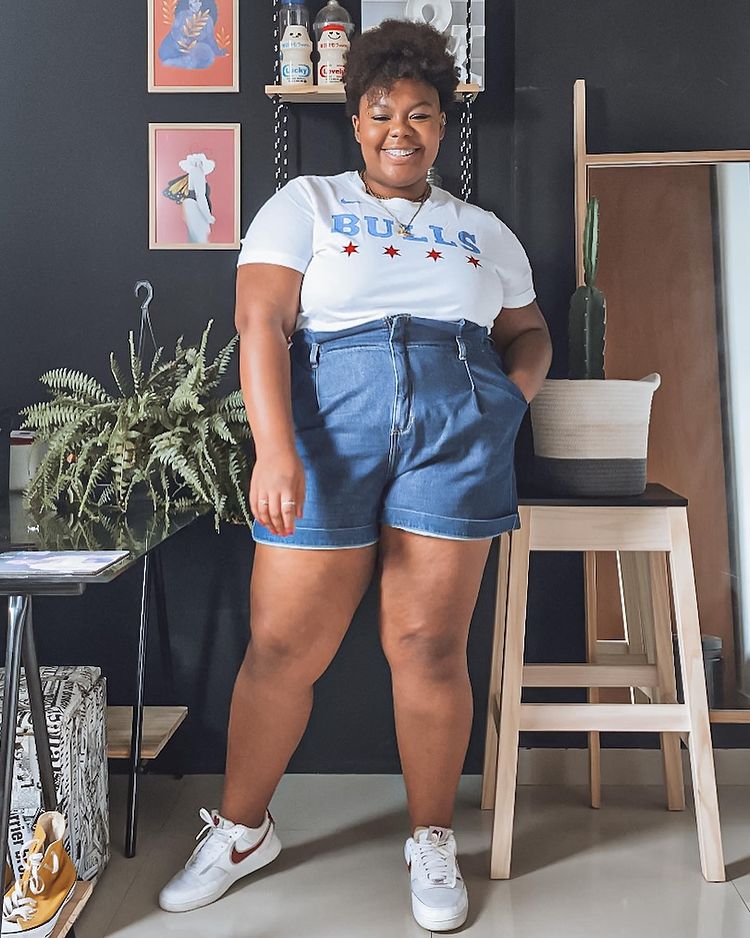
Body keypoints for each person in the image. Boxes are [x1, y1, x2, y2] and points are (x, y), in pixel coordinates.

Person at [158, 17, 552, 933]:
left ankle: (429, 839)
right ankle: (244, 829)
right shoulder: (307, 203)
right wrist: (276, 446)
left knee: (428, 649)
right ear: (356, 119)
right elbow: (261, 326)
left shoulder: (481, 231)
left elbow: (527, 333)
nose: (400, 131)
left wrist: (506, 405)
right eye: (382, 114)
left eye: (420, 114)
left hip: (457, 433)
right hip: (327, 429)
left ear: (444, 124)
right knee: (284, 647)